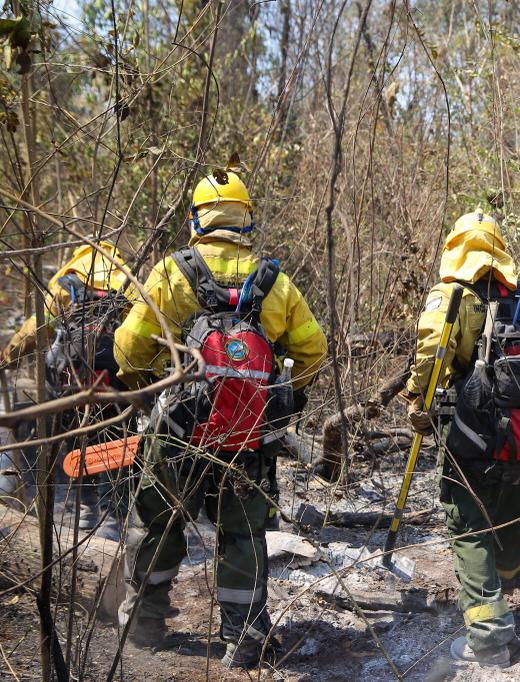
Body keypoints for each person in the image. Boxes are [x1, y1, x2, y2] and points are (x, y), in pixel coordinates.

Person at [113, 171, 327, 668]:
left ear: (197, 218)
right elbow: (313, 351)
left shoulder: (170, 274)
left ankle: (143, 624)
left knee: (160, 521)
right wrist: (280, 401)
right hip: (247, 439)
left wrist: (154, 393)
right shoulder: (275, 281)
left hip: (179, 432)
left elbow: (127, 351)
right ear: (245, 218)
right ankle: (245, 638)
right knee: (243, 534)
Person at [401, 209, 520, 668]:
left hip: (472, 433)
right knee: (510, 509)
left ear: (457, 249)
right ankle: (506, 588)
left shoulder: (451, 296)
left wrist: (418, 400)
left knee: (467, 523)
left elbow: (432, 354)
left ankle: (489, 638)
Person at [1, 241, 133, 532]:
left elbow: (38, 325)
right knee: (119, 441)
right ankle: (116, 516)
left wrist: (9, 356)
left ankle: (84, 507)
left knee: (76, 436)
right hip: (117, 379)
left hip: (73, 377)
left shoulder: (68, 277)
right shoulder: (128, 279)